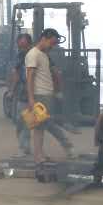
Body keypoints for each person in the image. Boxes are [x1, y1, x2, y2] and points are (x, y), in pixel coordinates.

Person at [24, 28, 76, 166]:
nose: (52, 46)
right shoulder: (33, 54)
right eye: (51, 43)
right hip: (40, 95)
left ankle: (40, 154)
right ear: (44, 38)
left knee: (41, 127)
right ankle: (38, 156)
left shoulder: (43, 55)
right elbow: (30, 77)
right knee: (39, 127)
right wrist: (31, 98)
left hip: (47, 94)